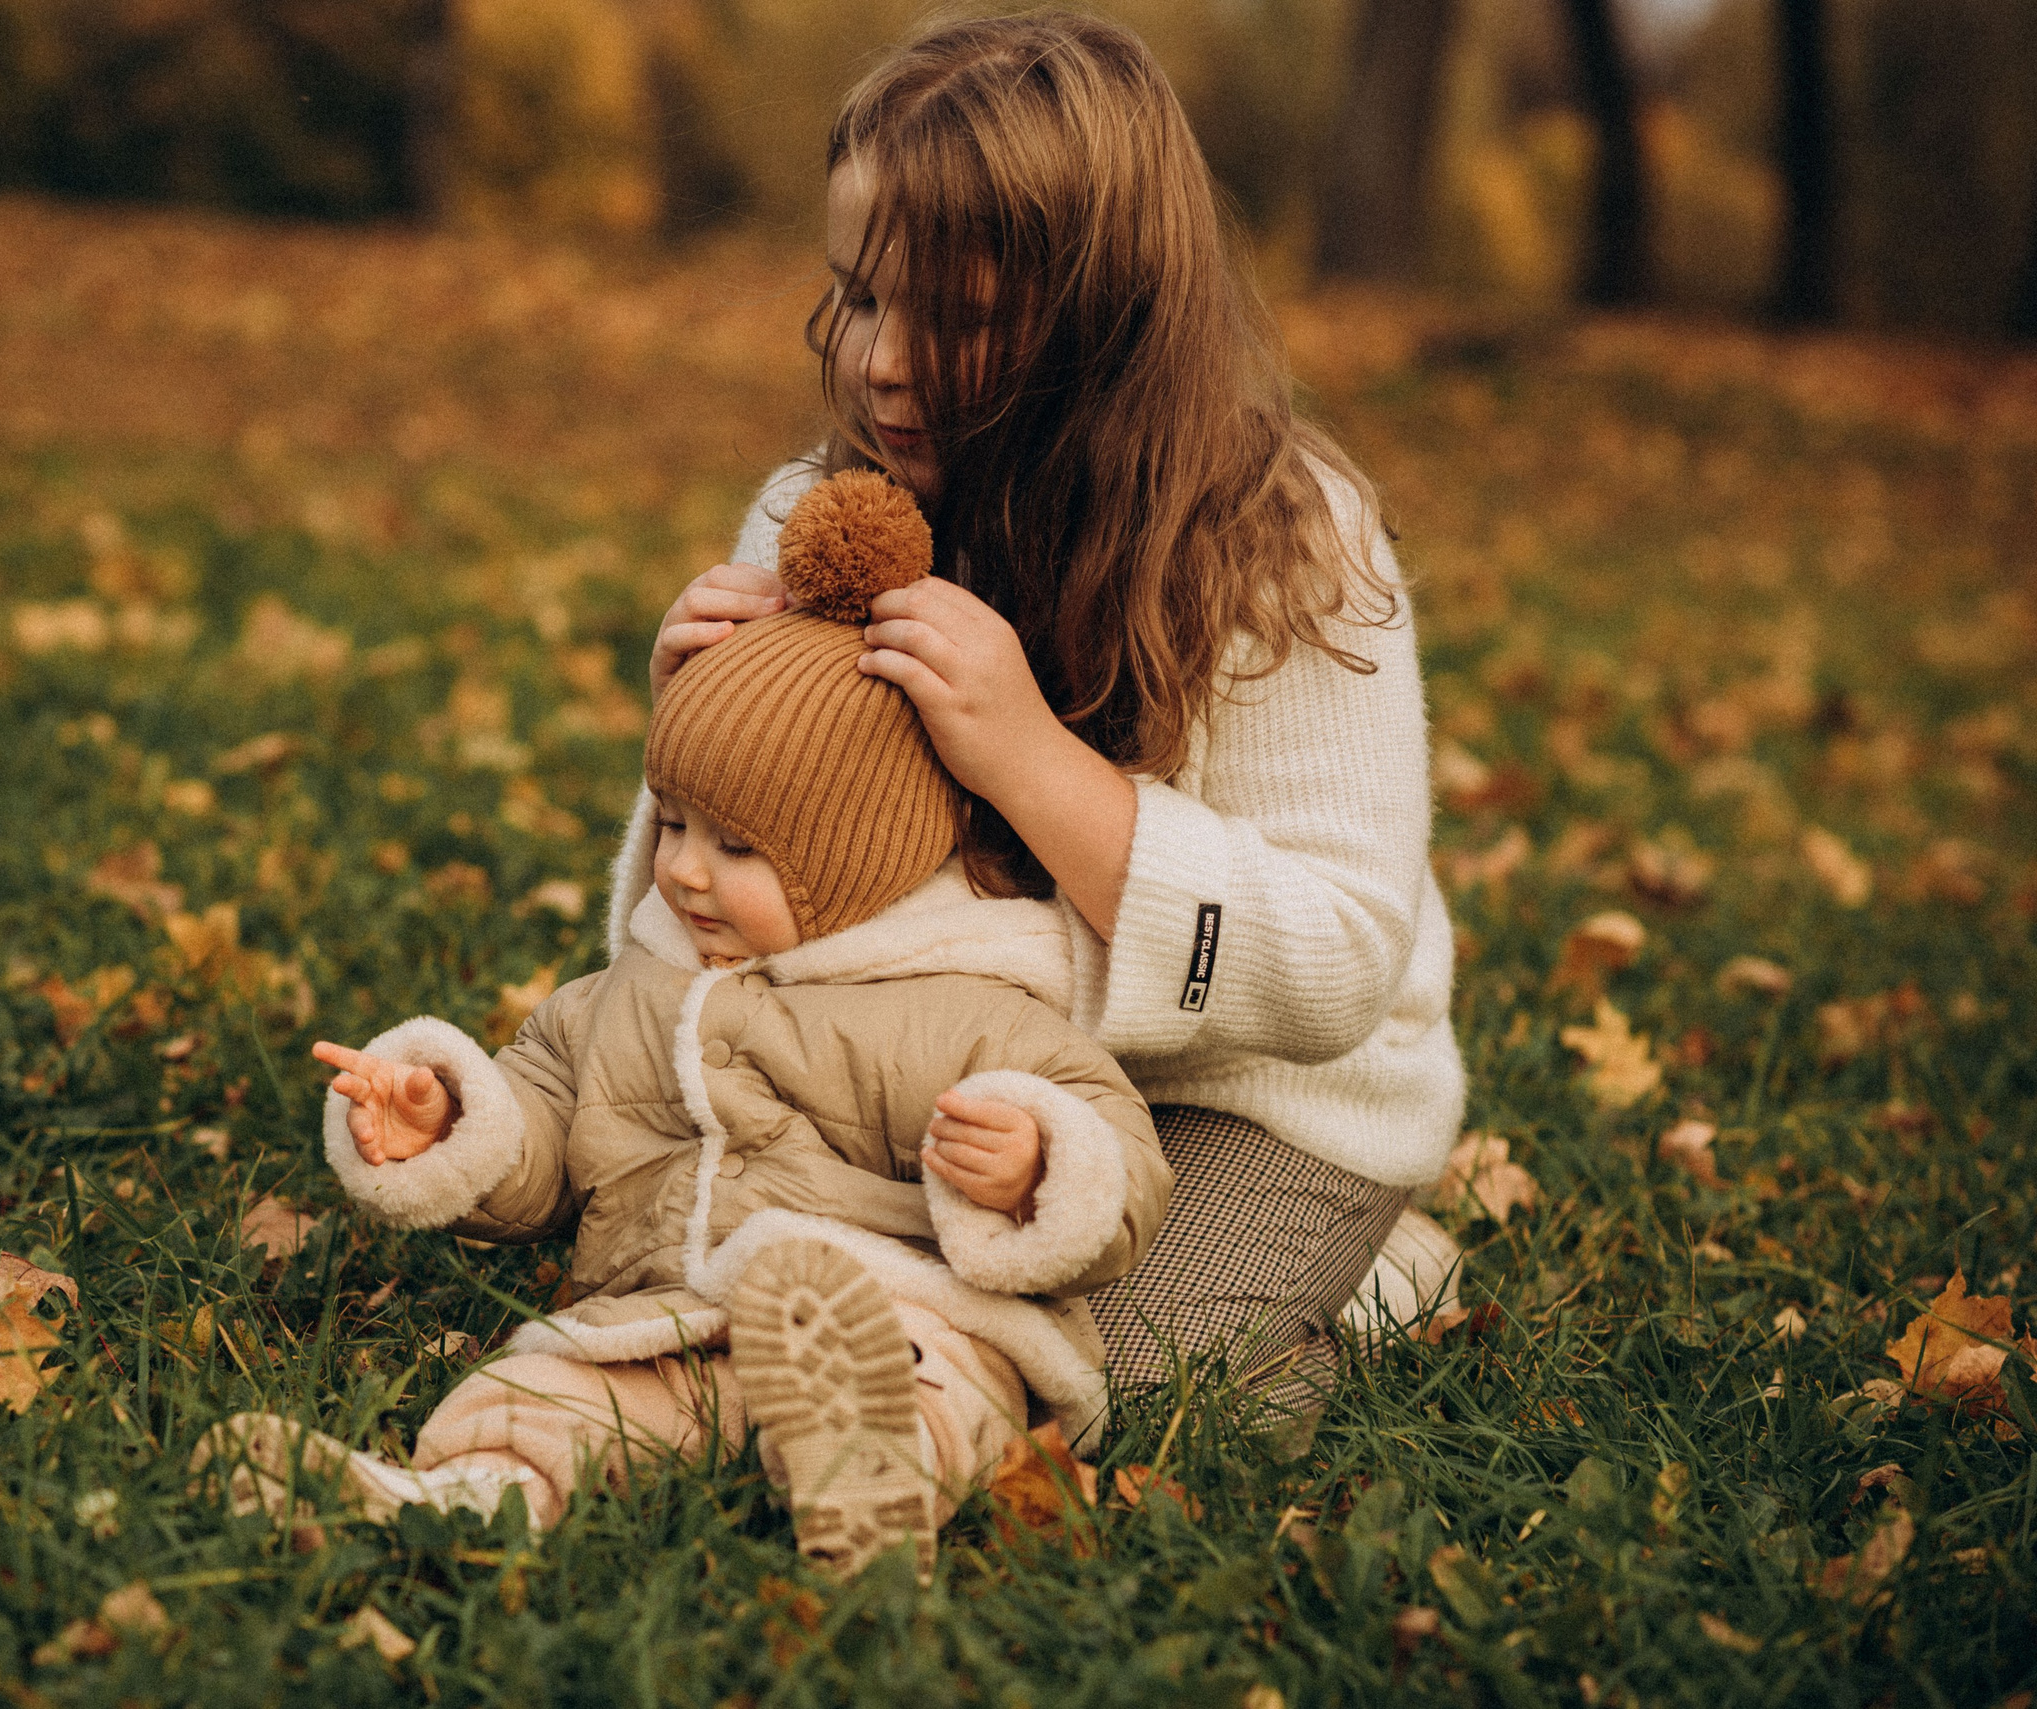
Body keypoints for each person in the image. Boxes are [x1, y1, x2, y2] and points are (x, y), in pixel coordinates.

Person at [646, 12, 1466, 1416]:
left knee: (1093, 1389)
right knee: (749, 1292)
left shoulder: (1284, 542)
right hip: (942, 1078)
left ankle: (1370, 1274)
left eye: (956, 319)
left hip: (1247, 1100)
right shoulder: (817, 517)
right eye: (859, 297)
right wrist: (701, 742)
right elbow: (706, 931)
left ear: (1108, 319)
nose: (882, 362)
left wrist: (1030, 760)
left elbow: (1337, 962)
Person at [193, 471, 1170, 1581]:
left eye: (739, 847)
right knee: (543, 1392)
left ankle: (874, 1466)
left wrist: (1036, 1164)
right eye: (672, 823)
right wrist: (449, 1120)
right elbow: (546, 1128)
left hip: (894, 1312)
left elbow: (1114, 1142)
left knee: (938, 1380)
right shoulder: (631, 993)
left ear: (867, 856)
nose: (685, 871)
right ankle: (458, 1499)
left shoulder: (960, 1000)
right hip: (659, 1324)